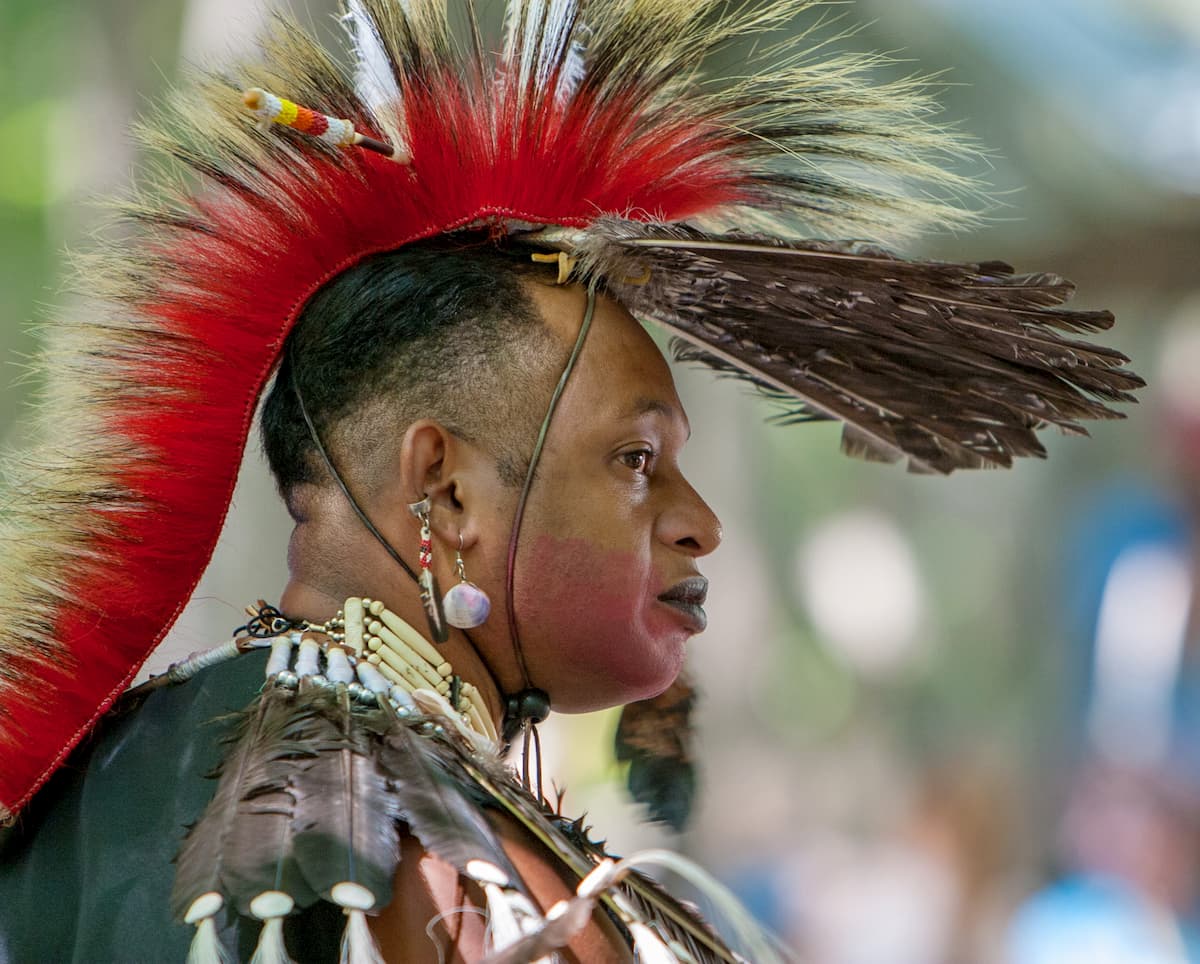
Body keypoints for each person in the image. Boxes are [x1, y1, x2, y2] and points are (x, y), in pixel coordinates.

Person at [0, 0, 1142, 961]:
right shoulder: (391, 843)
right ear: (446, 490)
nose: (701, 524)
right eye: (637, 461)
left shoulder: (152, 764)